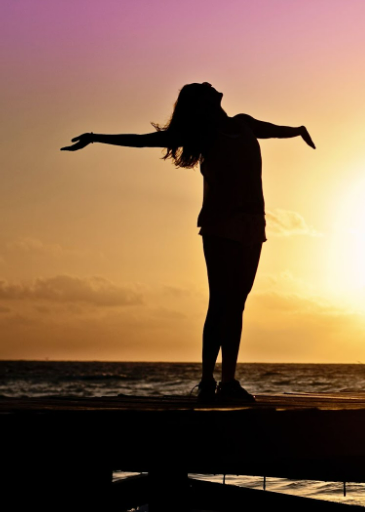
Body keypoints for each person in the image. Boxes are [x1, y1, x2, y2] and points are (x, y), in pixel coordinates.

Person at [61, 82, 315, 402]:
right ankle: (209, 381)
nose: (211, 86)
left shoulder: (243, 123)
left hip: (254, 225)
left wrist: (298, 130)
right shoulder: (203, 134)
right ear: (201, 104)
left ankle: (229, 382)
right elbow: (144, 141)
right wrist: (96, 137)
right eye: (203, 89)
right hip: (220, 225)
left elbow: (275, 130)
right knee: (220, 302)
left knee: (237, 305)